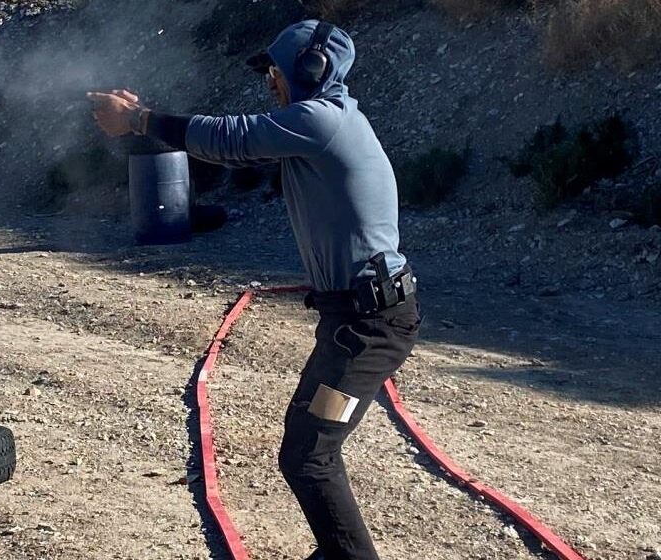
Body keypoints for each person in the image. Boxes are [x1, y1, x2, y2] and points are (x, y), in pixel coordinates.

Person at [89, 19, 421, 560]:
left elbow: (229, 139)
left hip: (369, 327)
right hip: (355, 320)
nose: (271, 83)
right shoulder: (325, 122)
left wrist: (139, 119)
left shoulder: (321, 120)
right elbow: (234, 144)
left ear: (310, 69)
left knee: (309, 455)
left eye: (276, 72)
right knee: (307, 449)